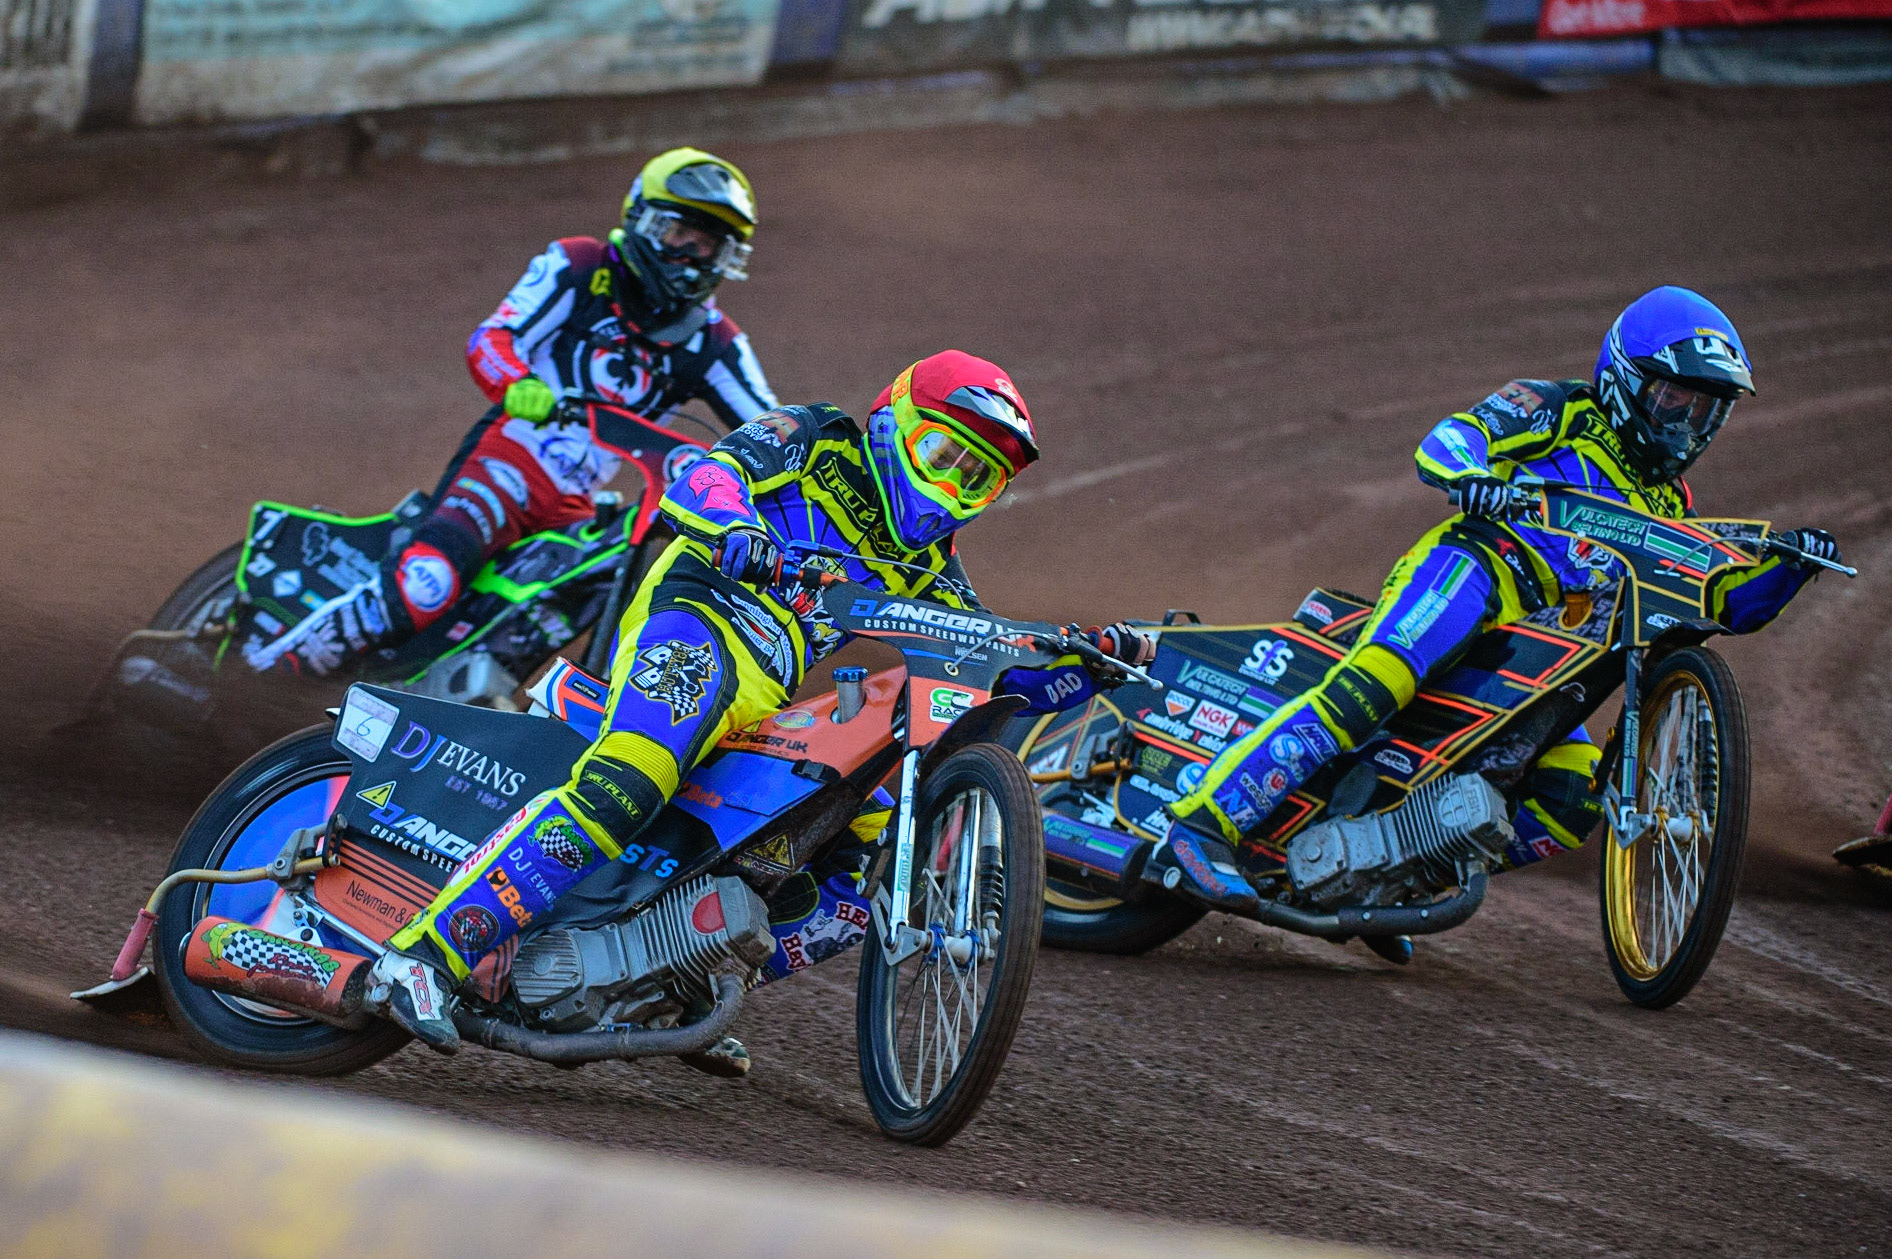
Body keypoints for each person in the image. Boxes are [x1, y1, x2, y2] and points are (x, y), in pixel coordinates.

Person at [364, 350, 1155, 1055]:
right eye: (943, 455)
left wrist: (1087, 665)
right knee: (630, 779)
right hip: (697, 623)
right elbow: (703, 476)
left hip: (767, 694)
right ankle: (424, 954)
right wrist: (738, 527)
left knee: (865, 856)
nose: (952, 486)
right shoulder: (816, 438)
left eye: (976, 477)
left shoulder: (931, 569)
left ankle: (670, 984)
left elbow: (990, 672)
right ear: (893, 424)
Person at [1155, 286, 1842, 914]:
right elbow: (1451, 438)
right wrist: (1473, 475)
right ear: (1626, 379)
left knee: (1573, 797)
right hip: (1475, 571)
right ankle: (1201, 825)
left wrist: (1788, 568)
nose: (1686, 425)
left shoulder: (1671, 505)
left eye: (1706, 410)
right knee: (1375, 686)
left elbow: (1723, 602)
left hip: (1539, 650)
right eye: (1675, 400)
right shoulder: (1561, 409)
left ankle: (1392, 874)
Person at [251, 147, 777, 677]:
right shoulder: (581, 266)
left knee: (582, 593)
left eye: (708, 244)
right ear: (641, 218)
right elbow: (493, 338)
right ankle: (264, 673)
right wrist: (519, 383)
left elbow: (774, 430)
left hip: (576, 502)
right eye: (678, 232)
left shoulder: (717, 342)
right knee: (427, 583)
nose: (689, 254)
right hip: (508, 461)